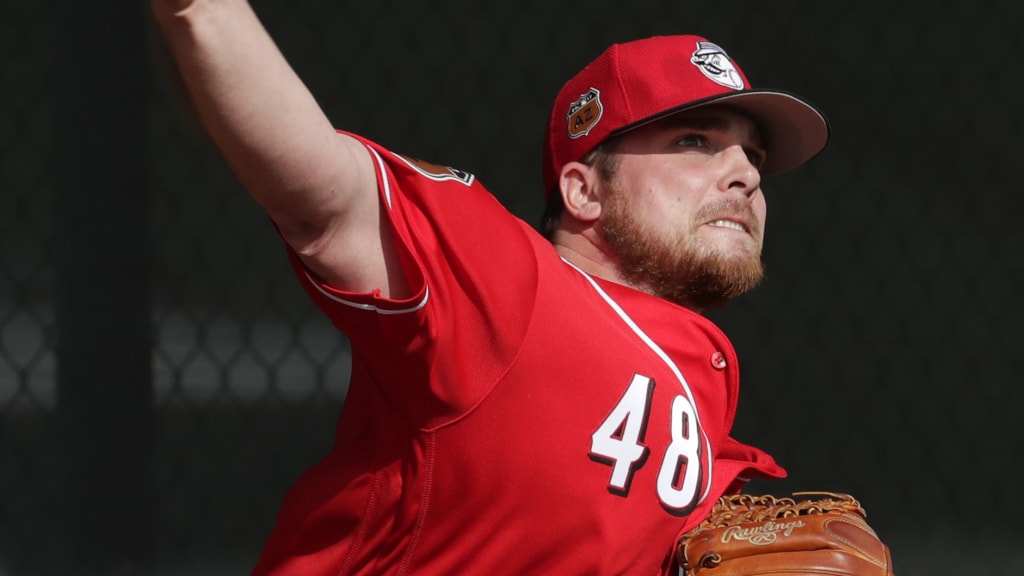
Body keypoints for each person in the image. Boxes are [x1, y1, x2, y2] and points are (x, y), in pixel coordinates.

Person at [152, 1, 829, 574]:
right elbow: (324, 197)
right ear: (583, 190)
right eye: (694, 141)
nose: (745, 172)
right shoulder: (507, 286)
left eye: (754, 155)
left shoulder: (702, 383)